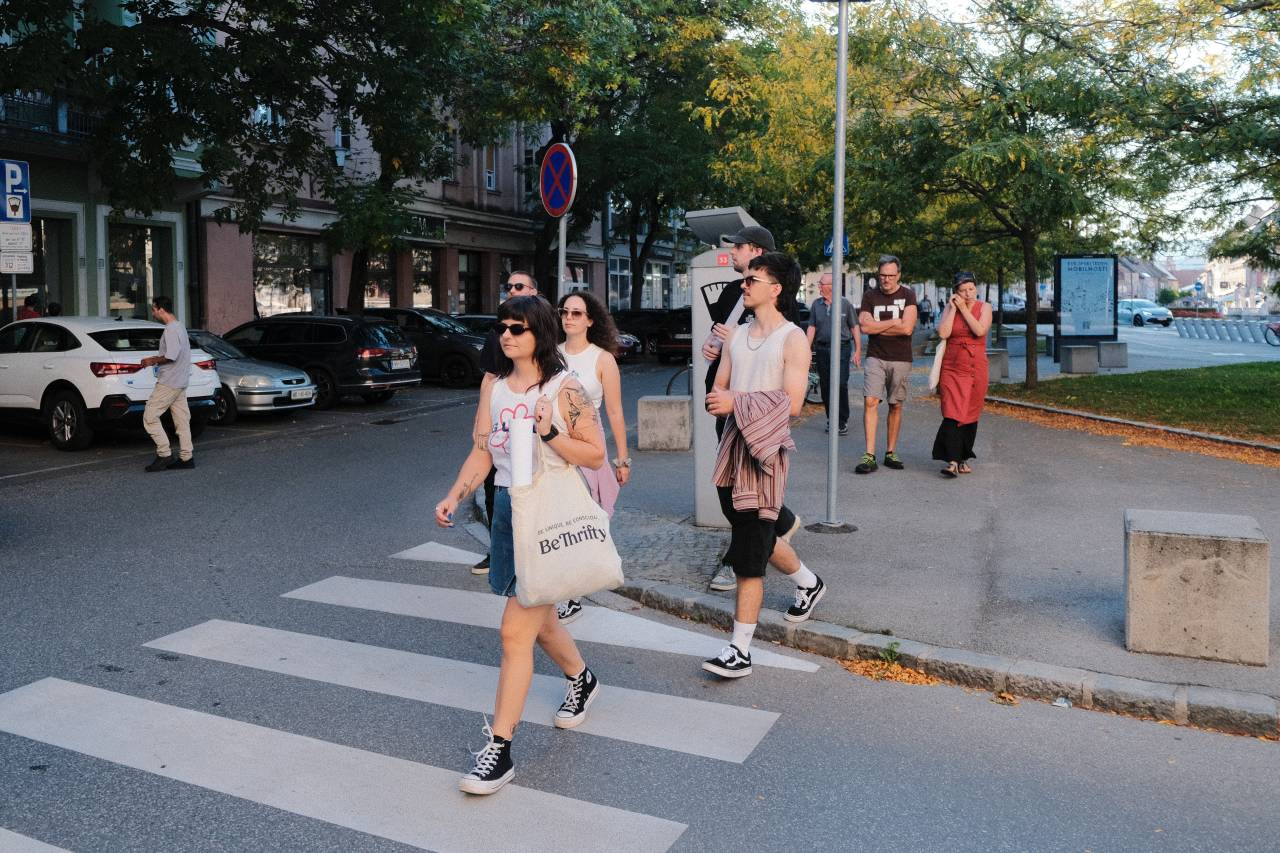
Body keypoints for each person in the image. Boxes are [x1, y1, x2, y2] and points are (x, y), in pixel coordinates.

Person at [434, 295, 605, 796]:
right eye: (501, 327)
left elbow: (595, 455)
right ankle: (582, 679)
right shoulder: (493, 386)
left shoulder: (563, 388)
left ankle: (500, 749)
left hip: (547, 513)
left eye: (517, 328)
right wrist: (455, 494)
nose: (506, 336)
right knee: (540, 617)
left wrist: (549, 431)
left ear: (540, 334)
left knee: (515, 632)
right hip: (509, 512)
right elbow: (484, 454)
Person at [703, 252, 826, 679]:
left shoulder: (793, 339)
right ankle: (809, 582)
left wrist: (735, 401)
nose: (744, 284)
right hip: (731, 447)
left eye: (752, 279)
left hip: (766, 452)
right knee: (755, 534)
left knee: (748, 552)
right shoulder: (736, 335)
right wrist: (719, 395)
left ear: (776, 289)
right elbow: (719, 387)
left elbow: (792, 404)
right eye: (745, 279)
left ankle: (739, 649)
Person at [698, 225, 801, 593]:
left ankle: (737, 562)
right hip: (727, 407)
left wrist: (739, 396)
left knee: (750, 508)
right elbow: (720, 335)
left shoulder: (781, 304)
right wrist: (714, 347)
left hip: (760, 417)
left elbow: (790, 389)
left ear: (756, 251)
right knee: (733, 498)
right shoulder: (733, 292)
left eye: (738, 247)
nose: (732, 252)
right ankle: (788, 539)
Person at [555, 290, 630, 624]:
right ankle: (563, 588)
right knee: (557, 516)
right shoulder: (550, 355)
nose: (569, 318)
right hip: (554, 445)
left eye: (576, 313)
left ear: (590, 320)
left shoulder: (602, 359)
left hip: (587, 446)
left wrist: (622, 459)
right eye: (565, 312)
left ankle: (571, 593)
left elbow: (614, 412)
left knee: (580, 517)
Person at [473, 271, 540, 576]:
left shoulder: (545, 331)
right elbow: (489, 377)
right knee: (494, 486)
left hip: (536, 442)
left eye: (519, 286)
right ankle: (497, 549)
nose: (512, 290)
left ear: (533, 291)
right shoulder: (498, 332)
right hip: (501, 427)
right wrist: (480, 423)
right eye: (509, 286)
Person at [856, 255, 917, 474]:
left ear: (898, 275)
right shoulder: (870, 296)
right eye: (883, 275)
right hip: (876, 356)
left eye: (891, 275)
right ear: (878, 275)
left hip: (901, 357)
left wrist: (877, 326)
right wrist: (893, 322)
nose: (886, 279)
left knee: (895, 404)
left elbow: (907, 329)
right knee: (870, 400)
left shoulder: (908, 295)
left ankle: (890, 452)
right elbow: (865, 328)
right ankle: (869, 455)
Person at [932, 272, 991, 477]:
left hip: (975, 365)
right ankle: (952, 461)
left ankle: (963, 457)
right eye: (963, 290)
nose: (968, 294)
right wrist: (952, 309)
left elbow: (979, 330)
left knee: (970, 412)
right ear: (955, 292)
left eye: (971, 289)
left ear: (976, 288)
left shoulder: (985, 307)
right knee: (951, 411)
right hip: (952, 366)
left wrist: (965, 310)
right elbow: (943, 333)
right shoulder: (951, 307)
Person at [139, 296, 194, 471]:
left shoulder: (170, 329)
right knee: (182, 420)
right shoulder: (180, 326)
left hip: (169, 381)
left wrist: (152, 360)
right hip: (180, 381)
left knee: (149, 417)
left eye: (154, 309)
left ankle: (165, 455)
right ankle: (186, 457)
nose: (153, 313)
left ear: (161, 309)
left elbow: (171, 356)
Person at [805, 272, 861, 435]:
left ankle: (842, 420)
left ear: (830, 286)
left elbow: (854, 327)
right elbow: (811, 327)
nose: (819, 286)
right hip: (822, 349)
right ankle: (832, 419)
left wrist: (858, 350)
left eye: (821, 284)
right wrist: (807, 349)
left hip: (842, 348)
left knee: (841, 383)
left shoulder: (845, 304)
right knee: (826, 385)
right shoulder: (816, 305)